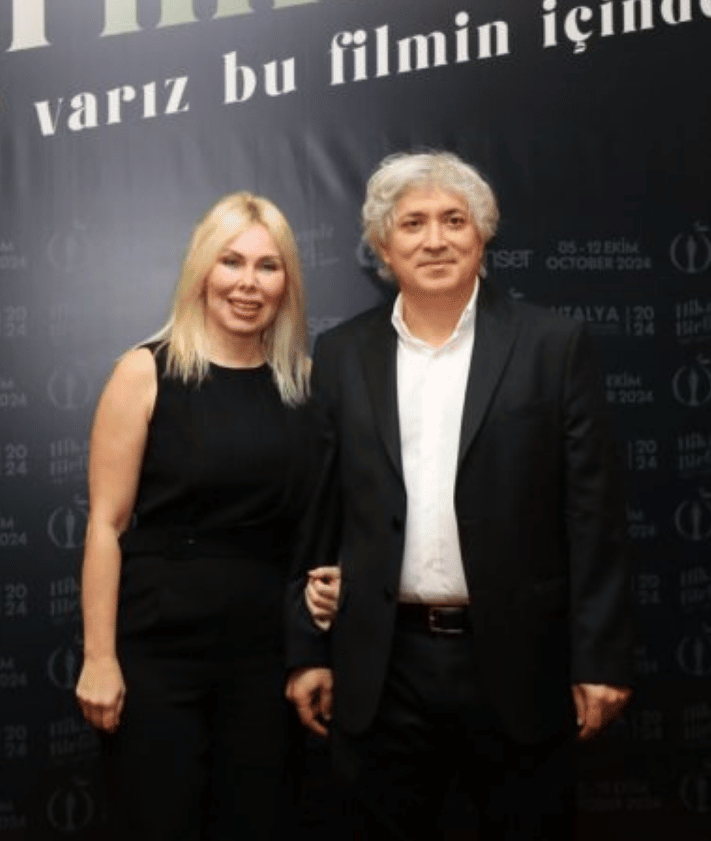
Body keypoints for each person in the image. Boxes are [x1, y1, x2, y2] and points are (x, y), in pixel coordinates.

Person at [284, 150, 636, 840]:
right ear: (383, 245)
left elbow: (595, 516)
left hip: (518, 661)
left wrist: (601, 659)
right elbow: (317, 511)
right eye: (412, 223)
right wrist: (308, 649)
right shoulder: (343, 354)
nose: (435, 240)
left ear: (483, 235)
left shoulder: (553, 345)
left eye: (454, 220)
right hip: (382, 666)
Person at [75, 192, 315, 840]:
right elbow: (106, 525)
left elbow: (318, 527)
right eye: (231, 261)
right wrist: (100, 658)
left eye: (268, 266)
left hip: (267, 657)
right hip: (159, 653)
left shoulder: (305, 383)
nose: (248, 283)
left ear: (287, 282)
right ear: (202, 270)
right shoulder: (144, 372)